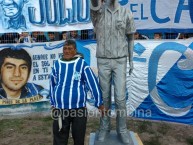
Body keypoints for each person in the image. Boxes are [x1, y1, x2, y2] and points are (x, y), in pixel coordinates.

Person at [90, 0, 136, 143]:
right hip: (103, 60)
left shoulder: (126, 13)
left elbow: (131, 37)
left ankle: (122, 129)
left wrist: (131, 59)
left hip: (120, 60)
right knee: (104, 97)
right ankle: (104, 128)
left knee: (121, 98)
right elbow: (94, 4)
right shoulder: (97, 11)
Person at [49, 39, 104, 145]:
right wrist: (53, 102)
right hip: (60, 109)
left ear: (75, 50)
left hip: (78, 109)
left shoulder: (82, 64)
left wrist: (99, 103)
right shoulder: (57, 64)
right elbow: (52, 84)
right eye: (65, 48)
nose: (67, 51)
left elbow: (92, 83)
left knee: (79, 138)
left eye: (70, 49)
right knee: (59, 138)